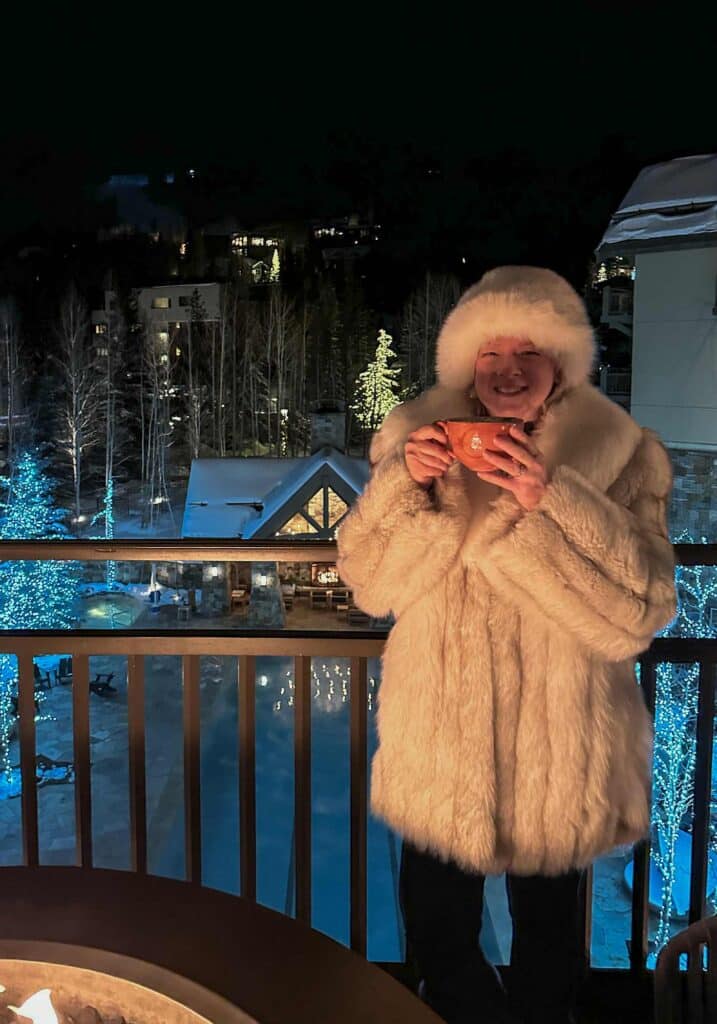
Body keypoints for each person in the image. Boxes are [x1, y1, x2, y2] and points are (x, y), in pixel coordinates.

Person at [336, 266, 677, 1024]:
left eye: (528, 352)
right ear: (467, 364)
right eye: (489, 354)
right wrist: (404, 486)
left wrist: (548, 501)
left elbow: (642, 611)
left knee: (550, 946)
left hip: (559, 743)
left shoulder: (619, 452)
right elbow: (369, 584)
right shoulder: (417, 439)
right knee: (436, 933)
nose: (507, 370)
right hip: (440, 739)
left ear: (562, 362)